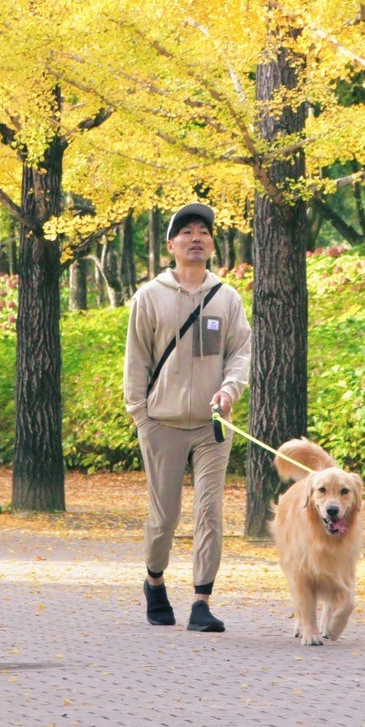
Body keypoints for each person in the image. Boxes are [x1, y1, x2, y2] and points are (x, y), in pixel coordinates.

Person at [123, 202, 251, 632]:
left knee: (209, 511)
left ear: (212, 243)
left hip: (212, 424)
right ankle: (154, 581)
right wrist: (141, 415)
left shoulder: (227, 297)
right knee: (165, 517)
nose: (196, 238)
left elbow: (240, 354)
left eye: (203, 232)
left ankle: (201, 601)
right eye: (186, 232)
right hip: (161, 423)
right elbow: (136, 361)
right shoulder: (149, 297)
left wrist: (230, 392)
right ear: (171, 244)